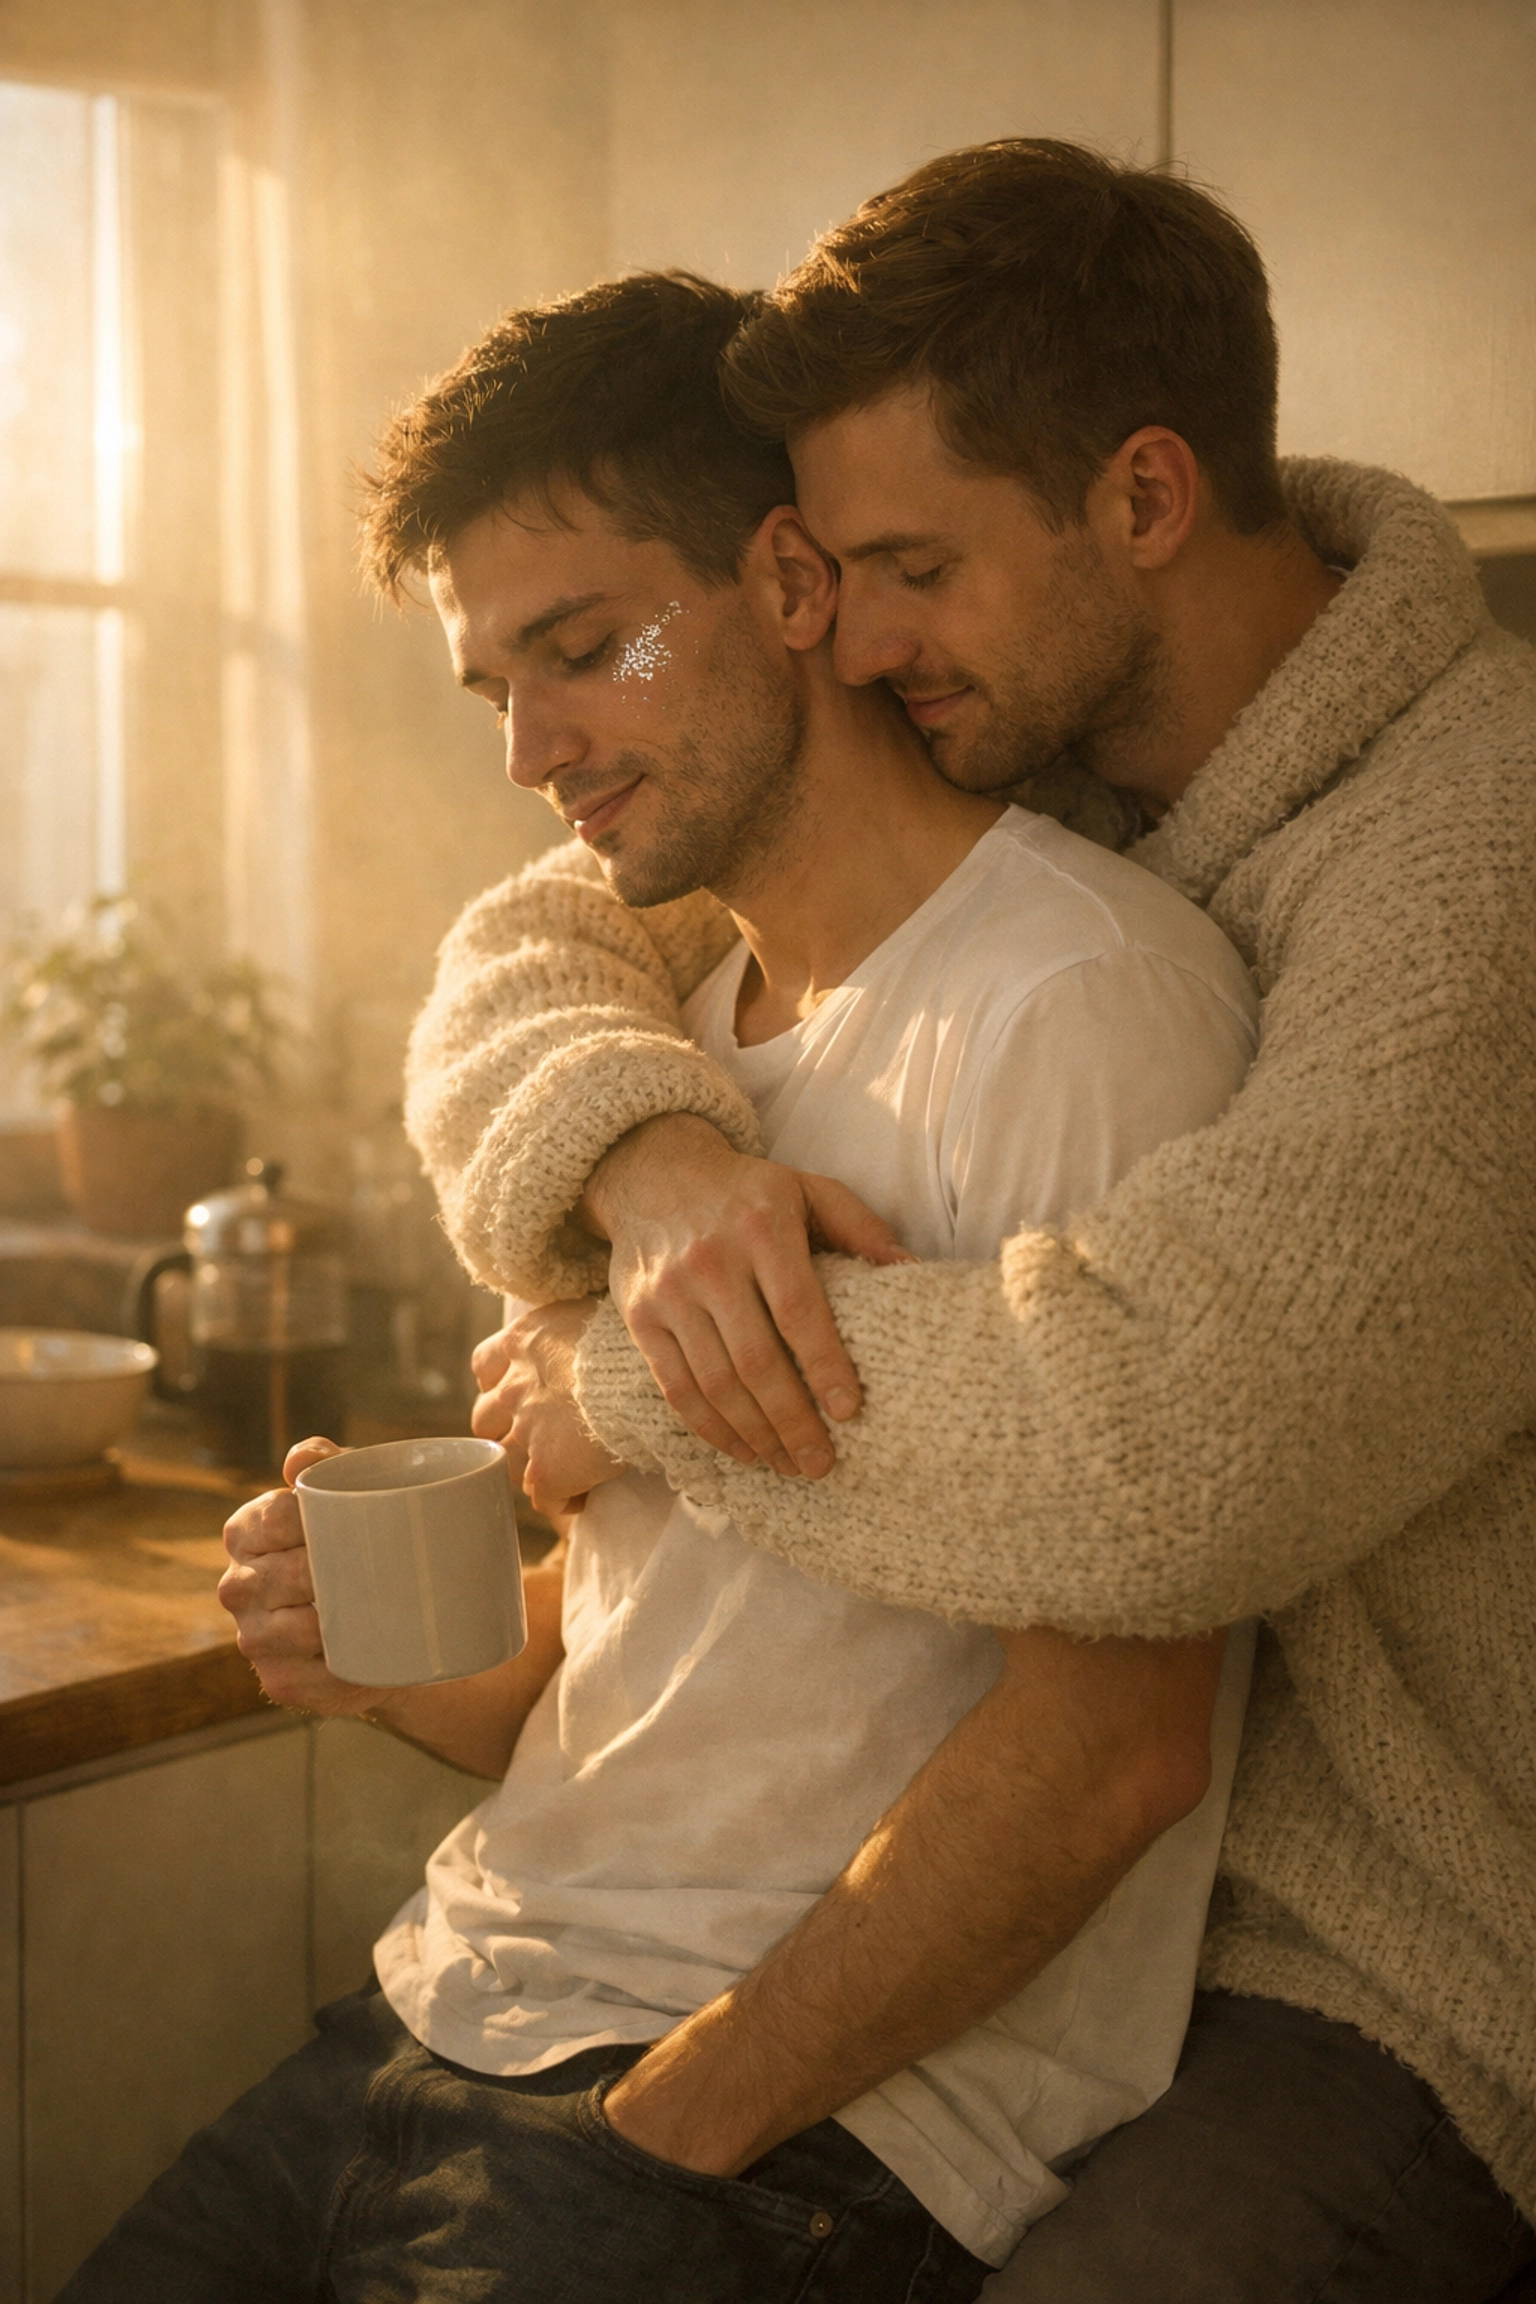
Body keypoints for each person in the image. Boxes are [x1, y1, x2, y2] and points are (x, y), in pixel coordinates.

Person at [59, 270, 1260, 2304]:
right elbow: (606, 1690)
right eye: (494, 690)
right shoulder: (673, 1066)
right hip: (430, 2020)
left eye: (584, 646)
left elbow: (1117, 1750)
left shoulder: (1078, 1000)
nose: (533, 751)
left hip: (769, 2138)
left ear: (790, 583)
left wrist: (686, 2118)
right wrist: (380, 1659)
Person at [405, 144, 1536, 2299]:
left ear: (1144, 496)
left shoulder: (1480, 857)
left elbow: (1176, 1443)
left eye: (908, 566)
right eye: (832, 569)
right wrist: (648, 1160)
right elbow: (526, 948)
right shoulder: (1050, 736)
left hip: (1376, 1950)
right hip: (1065, 1924)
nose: (854, 635)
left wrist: (625, 1373)